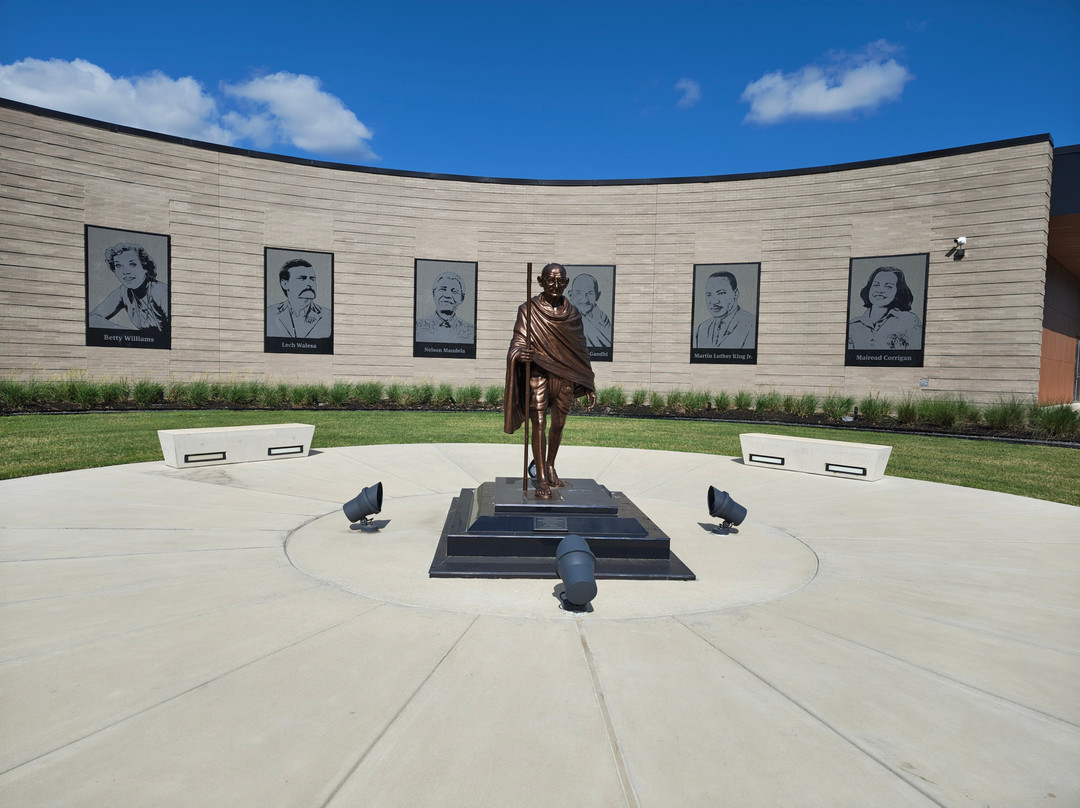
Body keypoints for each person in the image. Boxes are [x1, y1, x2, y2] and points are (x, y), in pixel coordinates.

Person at [504, 263, 596, 498]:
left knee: (558, 424)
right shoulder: (528, 310)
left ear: (566, 283)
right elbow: (517, 341)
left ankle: (550, 464)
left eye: (560, 281)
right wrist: (519, 353)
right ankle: (541, 476)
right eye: (550, 280)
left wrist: (587, 382)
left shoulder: (573, 314)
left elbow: (580, 350)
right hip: (538, 375)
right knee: (540, 424)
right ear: (540, 281)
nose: (555, 285)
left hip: (564, 377)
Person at [89, 242, 169, 331]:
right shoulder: (123, 292)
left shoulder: (162, 292)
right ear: (114, 271)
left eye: (132, 264)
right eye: (118, 265)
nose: (125, 271)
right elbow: (92, 318)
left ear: (145, 268)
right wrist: (124, 332)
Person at [847, 265, 922, 350]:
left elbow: (914, 357)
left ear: (898, 292)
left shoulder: (909, 321)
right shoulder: (853, 325)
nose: (880, 290)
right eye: (876, 285)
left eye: (888, 286)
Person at [266, 258, 331, 339]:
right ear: (285, 284)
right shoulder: (269, 314)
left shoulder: (328, 316)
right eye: (302, 278)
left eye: (312, 279)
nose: (309, 283)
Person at [694, 271, 755, 349]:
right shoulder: (703, 328)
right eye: (709, 295)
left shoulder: (752, 325)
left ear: (736, 293)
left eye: (721, 293)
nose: (714, 301)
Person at [415, 271, 476, 343]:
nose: (447, 295)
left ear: (461, 299)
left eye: (454, 291)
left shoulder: (471, 331)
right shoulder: (417, 327)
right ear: (434, 294)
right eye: (443, 289)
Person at [568, 272, 612, 348]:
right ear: (571, 295)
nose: (585, 300)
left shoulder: (602, 318)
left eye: (590, 294)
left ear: (597, 295)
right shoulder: (564, 317)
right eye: (578, 293)